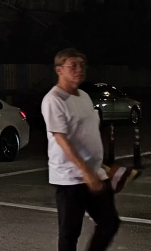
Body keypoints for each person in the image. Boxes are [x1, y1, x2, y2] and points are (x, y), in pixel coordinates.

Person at [42, 48, 120, 251]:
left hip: (95, 172)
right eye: (73, 65)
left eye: (82, 65)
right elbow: (62, 138)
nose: (79, 69)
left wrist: (99, 167)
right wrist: (85, 172)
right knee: (69, 234)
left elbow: (89, 132)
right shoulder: (54, 100)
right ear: (59, 70)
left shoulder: (84, 96)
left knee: (110, 223)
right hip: (70, 177)